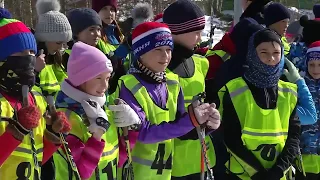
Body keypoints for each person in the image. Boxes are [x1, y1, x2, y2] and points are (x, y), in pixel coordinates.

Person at [110, 21, 221, 180]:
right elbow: (143, 133)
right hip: (135, 174)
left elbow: (180, 130)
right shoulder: (129, 84)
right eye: (158, 50)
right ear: (141, 52)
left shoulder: (173, 83)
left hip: (165, 174)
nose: (166, 56)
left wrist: (204, 125)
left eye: (169, 50)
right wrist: (191, 120)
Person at [219, 29, 300, 180]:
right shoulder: (234, 90)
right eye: (264, 52)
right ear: (252, 53)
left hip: (279, 174)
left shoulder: (289, 92)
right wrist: (258, 174)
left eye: (276, 53)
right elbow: (230, 138)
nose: (271, 58)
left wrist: (278, 170)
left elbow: (294, 136)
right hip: (243, 175)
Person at [0, 14, 71, 180]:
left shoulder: (36, 98)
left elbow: (35, 159)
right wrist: (16, 132)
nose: (29, 58)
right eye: (20, 53)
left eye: (32, 52)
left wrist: (53, 135)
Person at [163, 0, 217, 178]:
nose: (200, 38)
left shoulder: (201, 63)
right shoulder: (160, 67)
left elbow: (207, 100)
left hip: (201, 157)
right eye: (196, 33)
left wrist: (212, 117)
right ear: (177, 31)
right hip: (172, 161)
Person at [52, 42, 119, 179]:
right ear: (80, 79)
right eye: (98, 78)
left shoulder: (103, 110)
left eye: (107, 78)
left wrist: (131, 131)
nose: (105, 86)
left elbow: (118, 161)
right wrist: (96, 137)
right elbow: (80, 173)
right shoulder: (67, 118)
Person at [34, 0, 72, 90]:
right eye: (58, 43)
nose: (60, 47)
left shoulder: (57, 58)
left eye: (63, 43)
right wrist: (35, 71)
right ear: (44, 39)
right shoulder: (32, 59)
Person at [296, 41, 320, 180]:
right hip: (303, 152)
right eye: (312, 65)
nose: (316, 69)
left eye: (319, 65)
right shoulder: (300, 86)